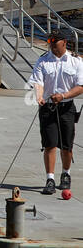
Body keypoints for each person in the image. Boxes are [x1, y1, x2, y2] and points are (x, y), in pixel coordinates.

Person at [30, 29, 83, 194]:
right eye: (50, 43)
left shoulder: (76, 62)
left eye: (55, 42)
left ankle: (66, 174)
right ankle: (50, 178)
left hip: (66, 107)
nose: (52, 46)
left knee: (66, 146)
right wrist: (39, 96)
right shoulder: (43, 61)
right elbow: (38, 82)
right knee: (49, 145)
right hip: (48, 107)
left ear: (64, 43)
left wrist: (64, 95)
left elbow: (80, 87)